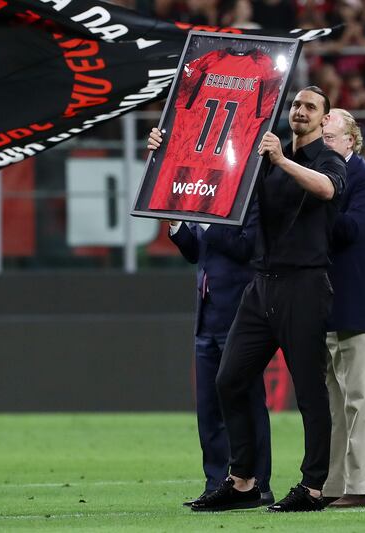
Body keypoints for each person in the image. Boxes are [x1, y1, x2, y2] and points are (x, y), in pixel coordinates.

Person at [191, 86, 347, 513]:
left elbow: (328, 191)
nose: (300, 110)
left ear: (324, 119)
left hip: (304, 284)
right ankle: (243, 481)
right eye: (296, 104)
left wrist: (281, 160)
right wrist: (164, 150)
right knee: (230, 379)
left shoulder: (327, 160)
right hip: (261, 284)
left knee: (309, 390)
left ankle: (313, 487)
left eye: (310, 107)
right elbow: (216, 161)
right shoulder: (266, 155)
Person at [146, 132, 274, 508]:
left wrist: (212, 215)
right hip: (207, 313)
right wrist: (176, 224)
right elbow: (195, 252)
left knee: (248, 399)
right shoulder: (203, 196)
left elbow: (245, 247)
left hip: (239, 313)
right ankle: (217, 480)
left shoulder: (249, 195)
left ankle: (259, 482)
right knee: (209, 407)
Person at [320, 109, 365, 508]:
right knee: (331, 402)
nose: (325, 142)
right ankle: (332, 485)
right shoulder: (311, 173)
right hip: (321, 301)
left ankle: (361, 486)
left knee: (361, 398)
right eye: (322, 137)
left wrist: (319, 196)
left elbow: (349, 230)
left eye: (331, 137)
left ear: (351, 141)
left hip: (357, 301)